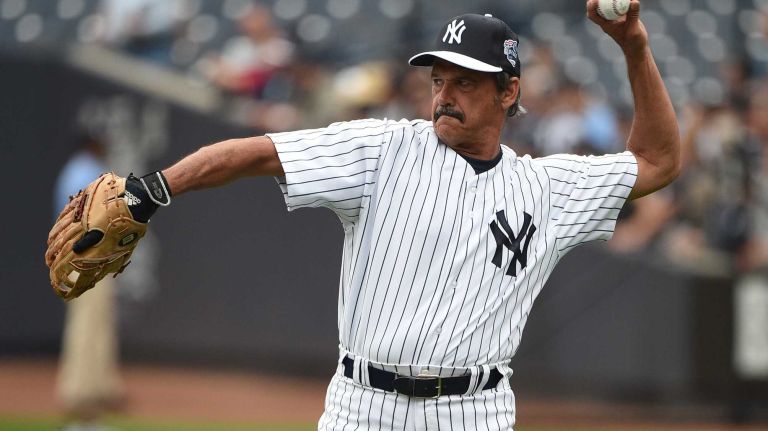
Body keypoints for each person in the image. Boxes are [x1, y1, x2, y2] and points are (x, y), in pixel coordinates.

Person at [73, 1, 680, 428]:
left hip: (473, 413)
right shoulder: (383, 149)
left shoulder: (547, 187)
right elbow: (256, 153)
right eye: (439, 78)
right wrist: (150, 190)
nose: (445, 93)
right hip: (363, 407)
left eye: (466, 81)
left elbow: (657, 160)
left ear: (508, 92)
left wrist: (634, 47)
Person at [53, 133, 124, 430]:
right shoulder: (84, 172)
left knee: (93, 325)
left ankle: (94, 390)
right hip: (85, 260)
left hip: (83, 260)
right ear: (92, 147)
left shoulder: (77, 170)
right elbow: (83, 223)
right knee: (86, 326)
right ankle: (81, 395)